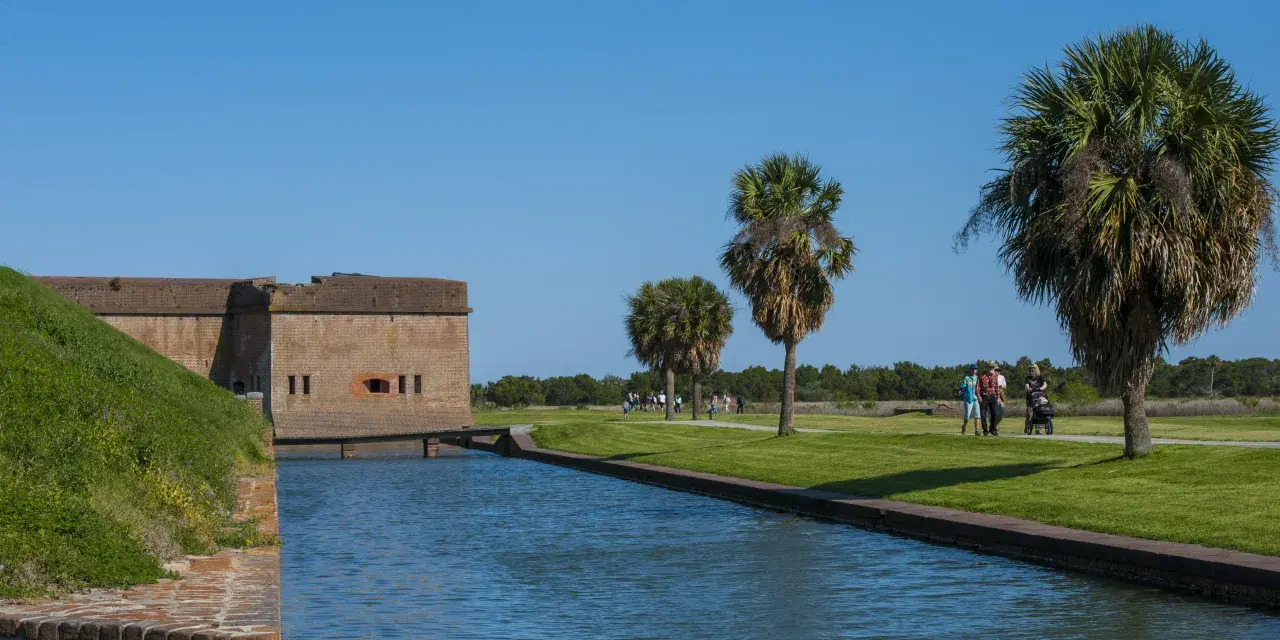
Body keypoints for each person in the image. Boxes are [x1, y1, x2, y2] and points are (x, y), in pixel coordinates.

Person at [978, 362, 1002, 436]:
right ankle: (985, 430)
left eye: (992, 367)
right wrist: (978, 396)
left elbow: (996, 387)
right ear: (987, 368)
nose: (991, 369)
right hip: (984, 396)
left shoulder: (995, 376)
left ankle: (992, 429)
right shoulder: (982, 376)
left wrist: (998, 397)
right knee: (983, 415)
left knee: (994, 413)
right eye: (990, 367)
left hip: (993, 396)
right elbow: (978, 387)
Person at [1025, 365, 1049, 434]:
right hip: (1030, 397)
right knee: (1029, 413)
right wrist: (1028, 388)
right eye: (1030, 371)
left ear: (1036, 370)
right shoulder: (1028, 378)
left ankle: (1038, 429)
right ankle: (1027, 427)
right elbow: (1026, 385)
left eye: (1033, 370)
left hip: (1040, 396)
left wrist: (1042, 388)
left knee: (1039, 412)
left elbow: (1045, 384)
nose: (1031, 372)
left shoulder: (1041, 377)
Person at [960, 365, 980, 435]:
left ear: (977, 370)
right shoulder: (967, 378)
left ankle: (977, 430)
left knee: (977, 414)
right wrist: (961, 390)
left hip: (976, 398)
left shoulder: (978, 378)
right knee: (967, 415)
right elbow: (963, 386)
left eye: (975, 369)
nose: (974, 370)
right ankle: (964, 426)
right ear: (970, 370)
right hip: (968, 398)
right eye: (972, 369)